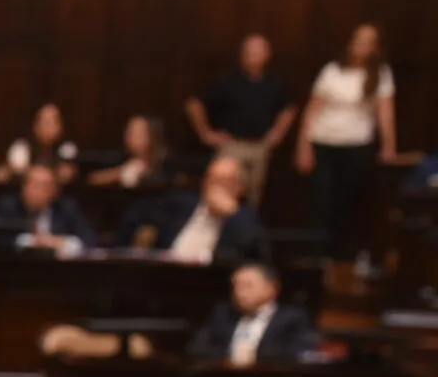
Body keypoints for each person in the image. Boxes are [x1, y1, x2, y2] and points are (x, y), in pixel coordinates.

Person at [296, 23, 398, 261]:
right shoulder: (332, 70)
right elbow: (312, 110)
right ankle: (316, 257)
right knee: (320, 201)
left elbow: (385, 113)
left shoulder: (381, 74)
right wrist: (303, 146)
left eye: (368, 42)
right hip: (323, 142)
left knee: (347, 203)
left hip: (357, 146)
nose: (361, 46)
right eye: (358, 40)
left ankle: (340, 257)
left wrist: (389, 146)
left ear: (376, 48)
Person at [185, 34, 297, 206]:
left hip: (260, 146)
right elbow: (194, 104)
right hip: (232, 145)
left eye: (257, 52)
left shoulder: (274, 83)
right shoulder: (226, 81)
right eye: (248, 52)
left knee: (253, 197)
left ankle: (248, 222)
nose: (252, 56)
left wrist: (277, 133)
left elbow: (288, 109)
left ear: (267, 55)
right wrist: (206, 133)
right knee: (225, 194)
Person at [125, 155, 269, 265]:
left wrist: (232, 212)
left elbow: (257, 253)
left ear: (240, 187)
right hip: (166, 273)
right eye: (211, 180)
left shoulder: (245, 218)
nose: (214, 187)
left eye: (223, 181)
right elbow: (138, 211)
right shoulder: (182, 204)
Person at [187, 264, 317, 366]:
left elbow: (298, 352)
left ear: (273, 288)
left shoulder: (292, 318)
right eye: (236, 286)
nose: (239, 292)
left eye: (247, 286)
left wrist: (252, 356)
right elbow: (196, 348)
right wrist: (232, 357)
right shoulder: (223, 314)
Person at [0, 164, 95, 256]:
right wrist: (31, 241)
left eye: (44, 186)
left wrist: (60, 242)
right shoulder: (8, 206)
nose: (36, 191)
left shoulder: (66, 207)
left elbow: (89, 240)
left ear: (55, 192)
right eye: (32, 184)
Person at [0, 104, 77, 184]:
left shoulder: (67, 148)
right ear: (35, 126)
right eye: (47, 122)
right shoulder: (22, 147)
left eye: (56, 122)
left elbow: (67, 173)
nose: (53, 127)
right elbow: (14, 170)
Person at [88, 115, 168, 188]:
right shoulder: (121, 158)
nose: (130, 136)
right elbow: (93, 179)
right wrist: (120, 173)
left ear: (153, 135)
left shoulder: (165, 162)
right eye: (129, 131)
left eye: (138, 132)